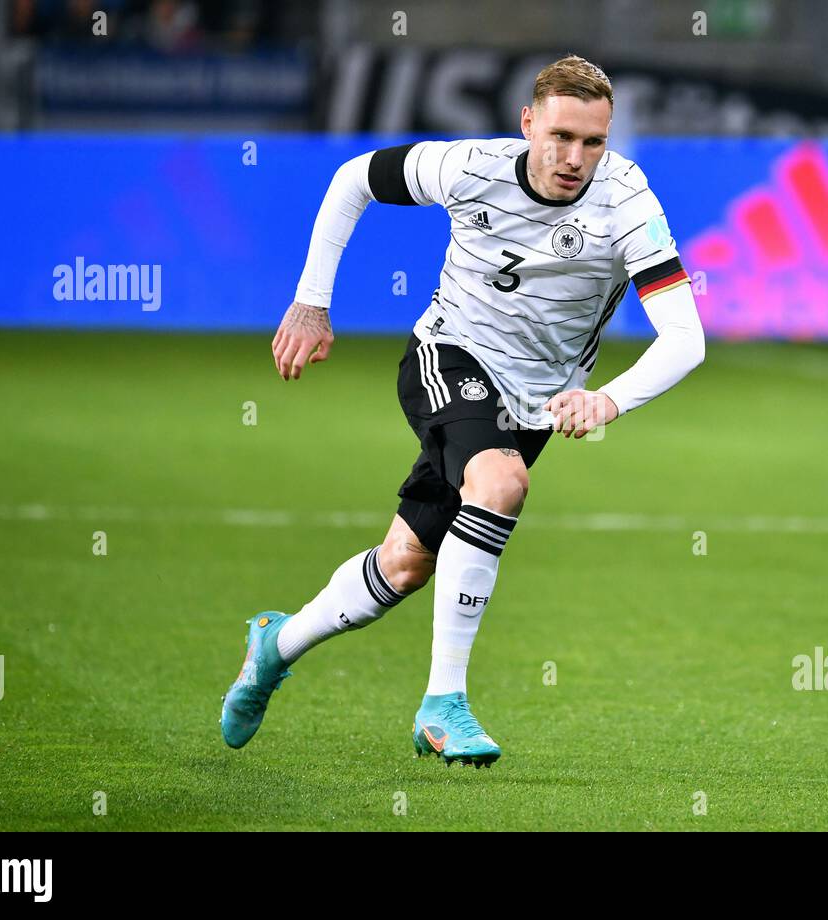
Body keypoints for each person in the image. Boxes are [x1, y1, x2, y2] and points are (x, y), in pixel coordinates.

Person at [220, 54, 705, 767]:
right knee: (502, 483)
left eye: (593, 142)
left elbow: (686, 339)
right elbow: (352, 179)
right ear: (528, 123)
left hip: (539, 399)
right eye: (561, 136)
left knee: (406, 564)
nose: (575, 158)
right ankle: (443, 703)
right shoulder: (469, 167)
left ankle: (276, 644)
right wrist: (312, 300)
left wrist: (605, 399)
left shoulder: (627, 200)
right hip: (449, 356)